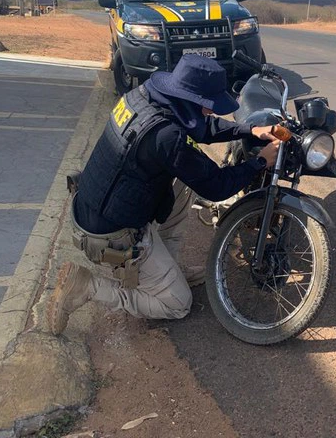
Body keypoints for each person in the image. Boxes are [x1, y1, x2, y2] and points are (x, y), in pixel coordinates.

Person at [47, 54, 280, 335]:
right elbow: (217, 186)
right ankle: (87, 286)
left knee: (185, 183)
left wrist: (250, 130)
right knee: (178, 304)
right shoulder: (167, 137)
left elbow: (200, 127)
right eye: (209, 106)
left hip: (96, 203)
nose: (211, 112)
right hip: (111, 236)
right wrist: (260, 162)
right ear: (190, 99)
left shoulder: (143, 97)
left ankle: (167, 269)